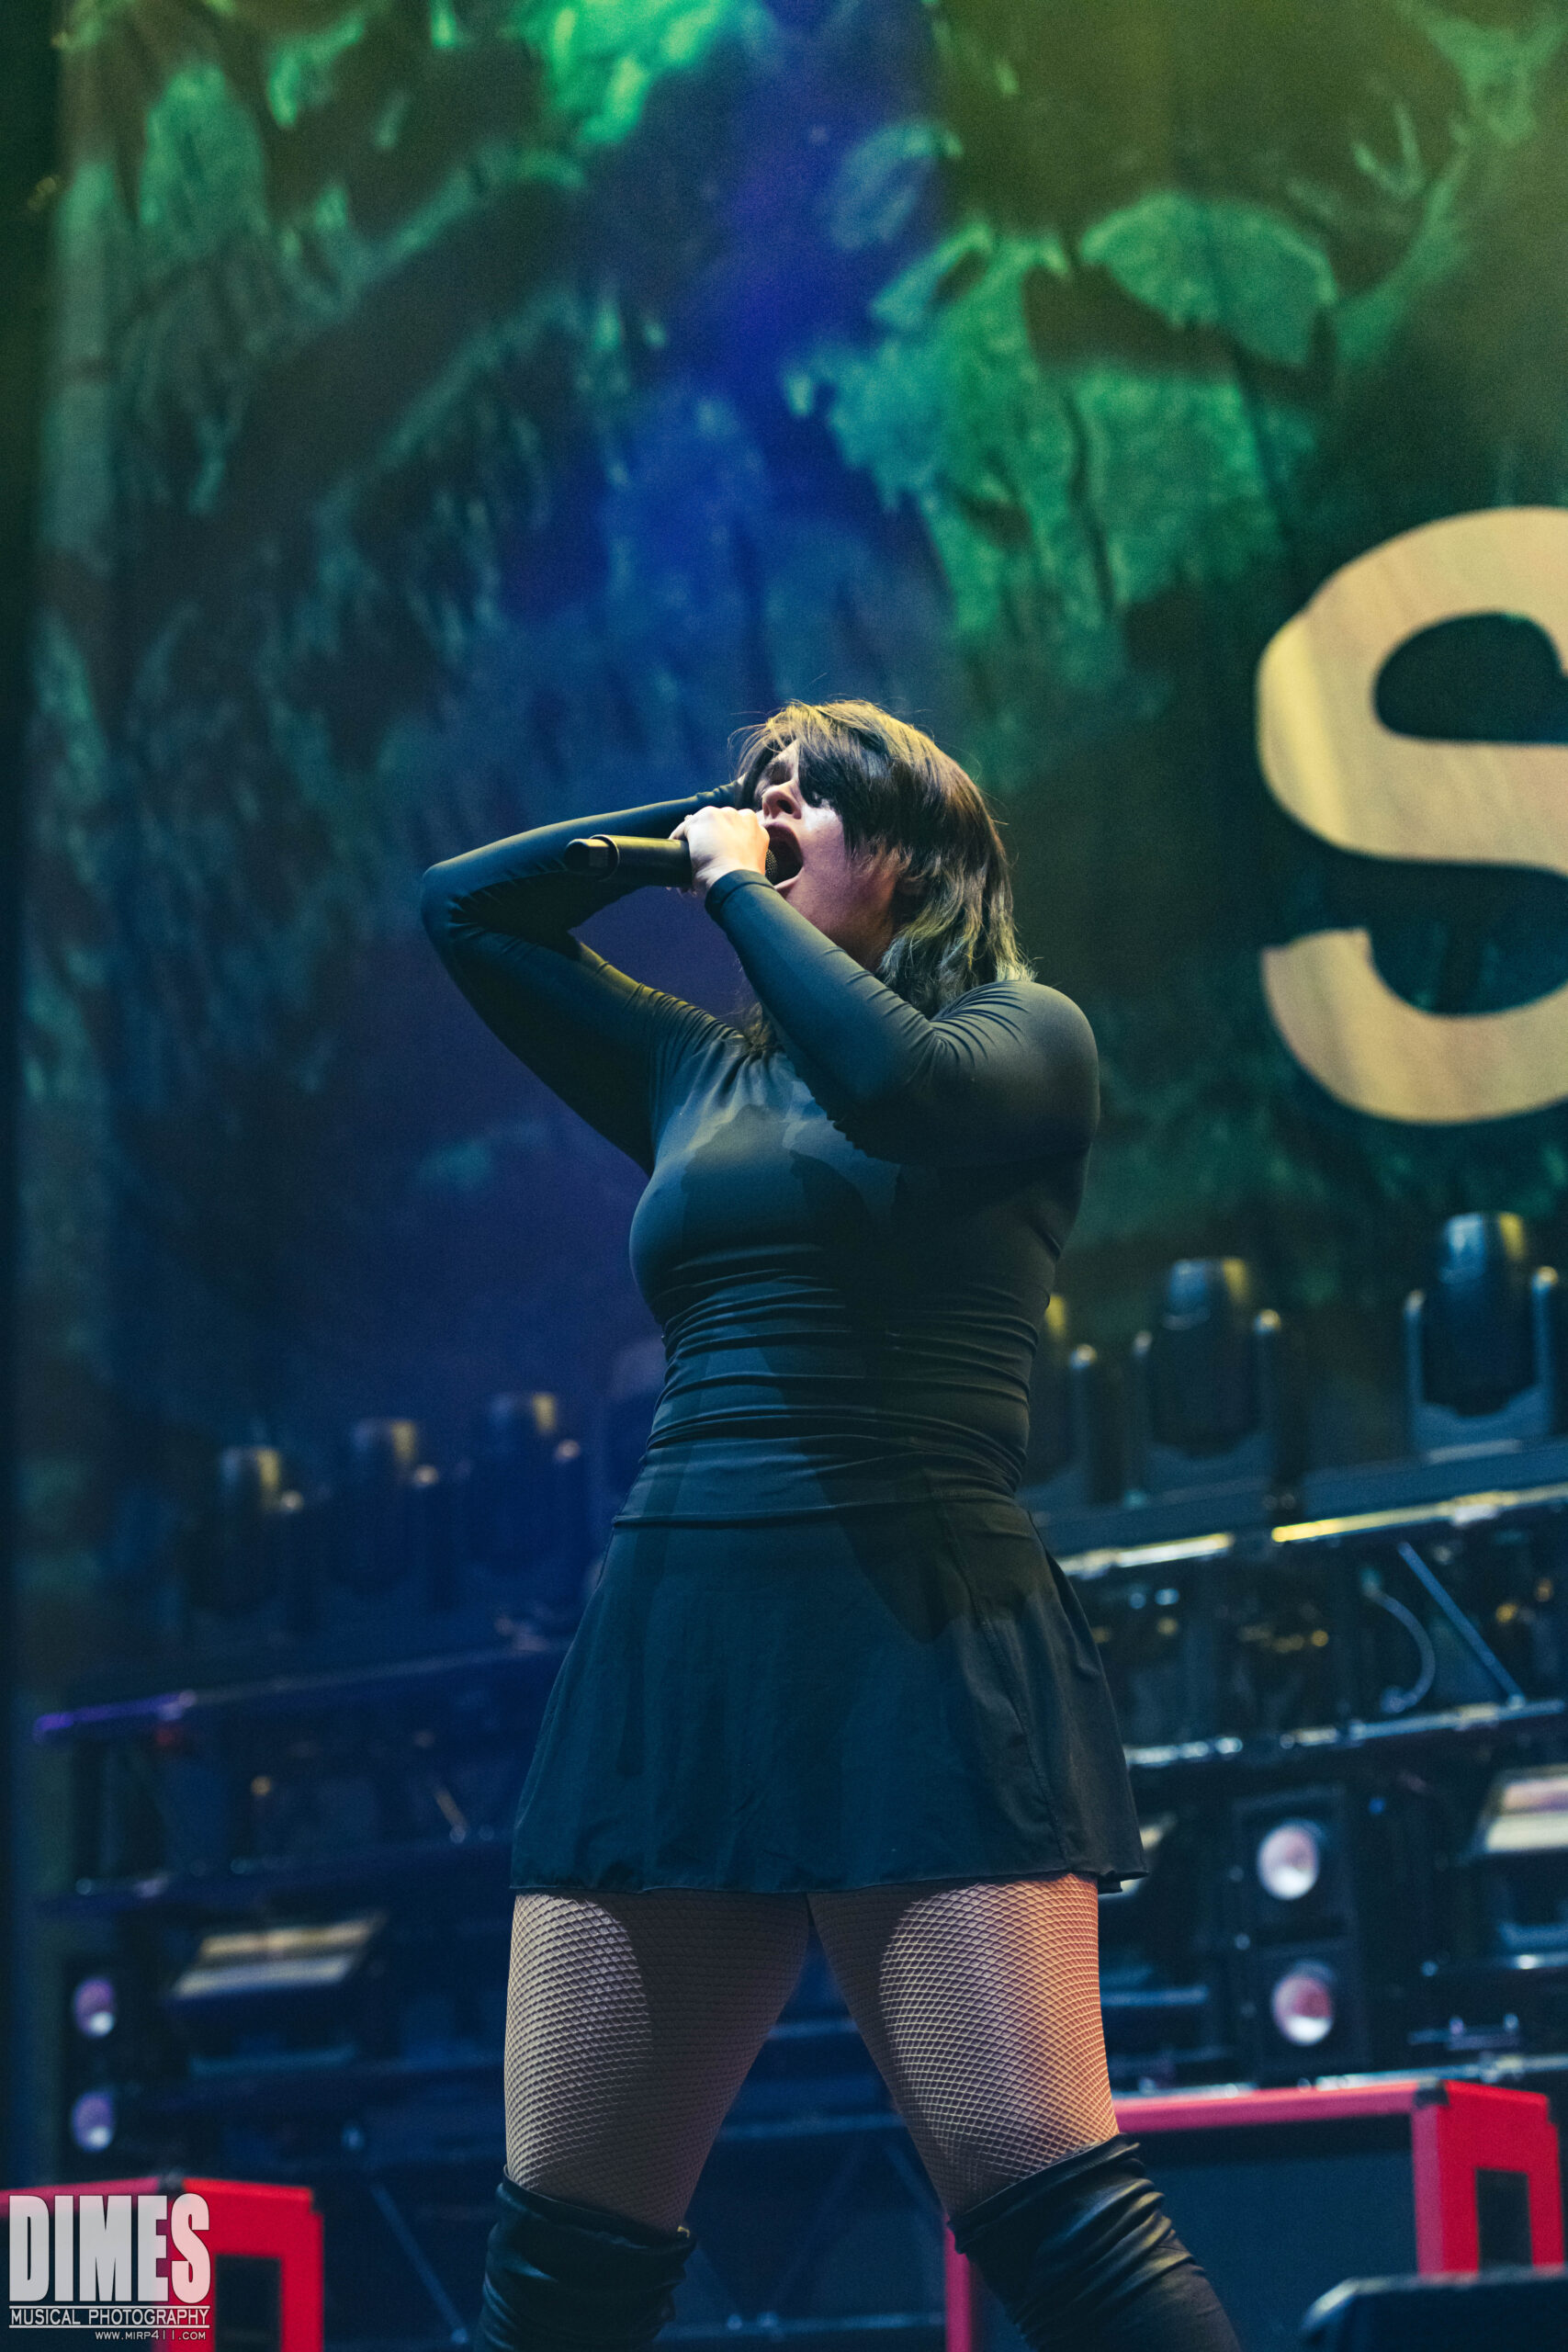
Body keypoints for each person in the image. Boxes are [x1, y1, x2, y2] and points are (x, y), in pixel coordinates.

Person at [421, 701, 1240, 2352]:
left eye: (814, 802)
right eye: (760, 796)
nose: (771, 815)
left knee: (1052, 2211)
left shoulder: (1026, 1037)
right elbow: (465, 910)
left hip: (912, 1627)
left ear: (920, 856)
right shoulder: (695, 1071)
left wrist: (740, 881)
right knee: (561, 2257)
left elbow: (895, 1088)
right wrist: (707, 826)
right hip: (681, 1639)